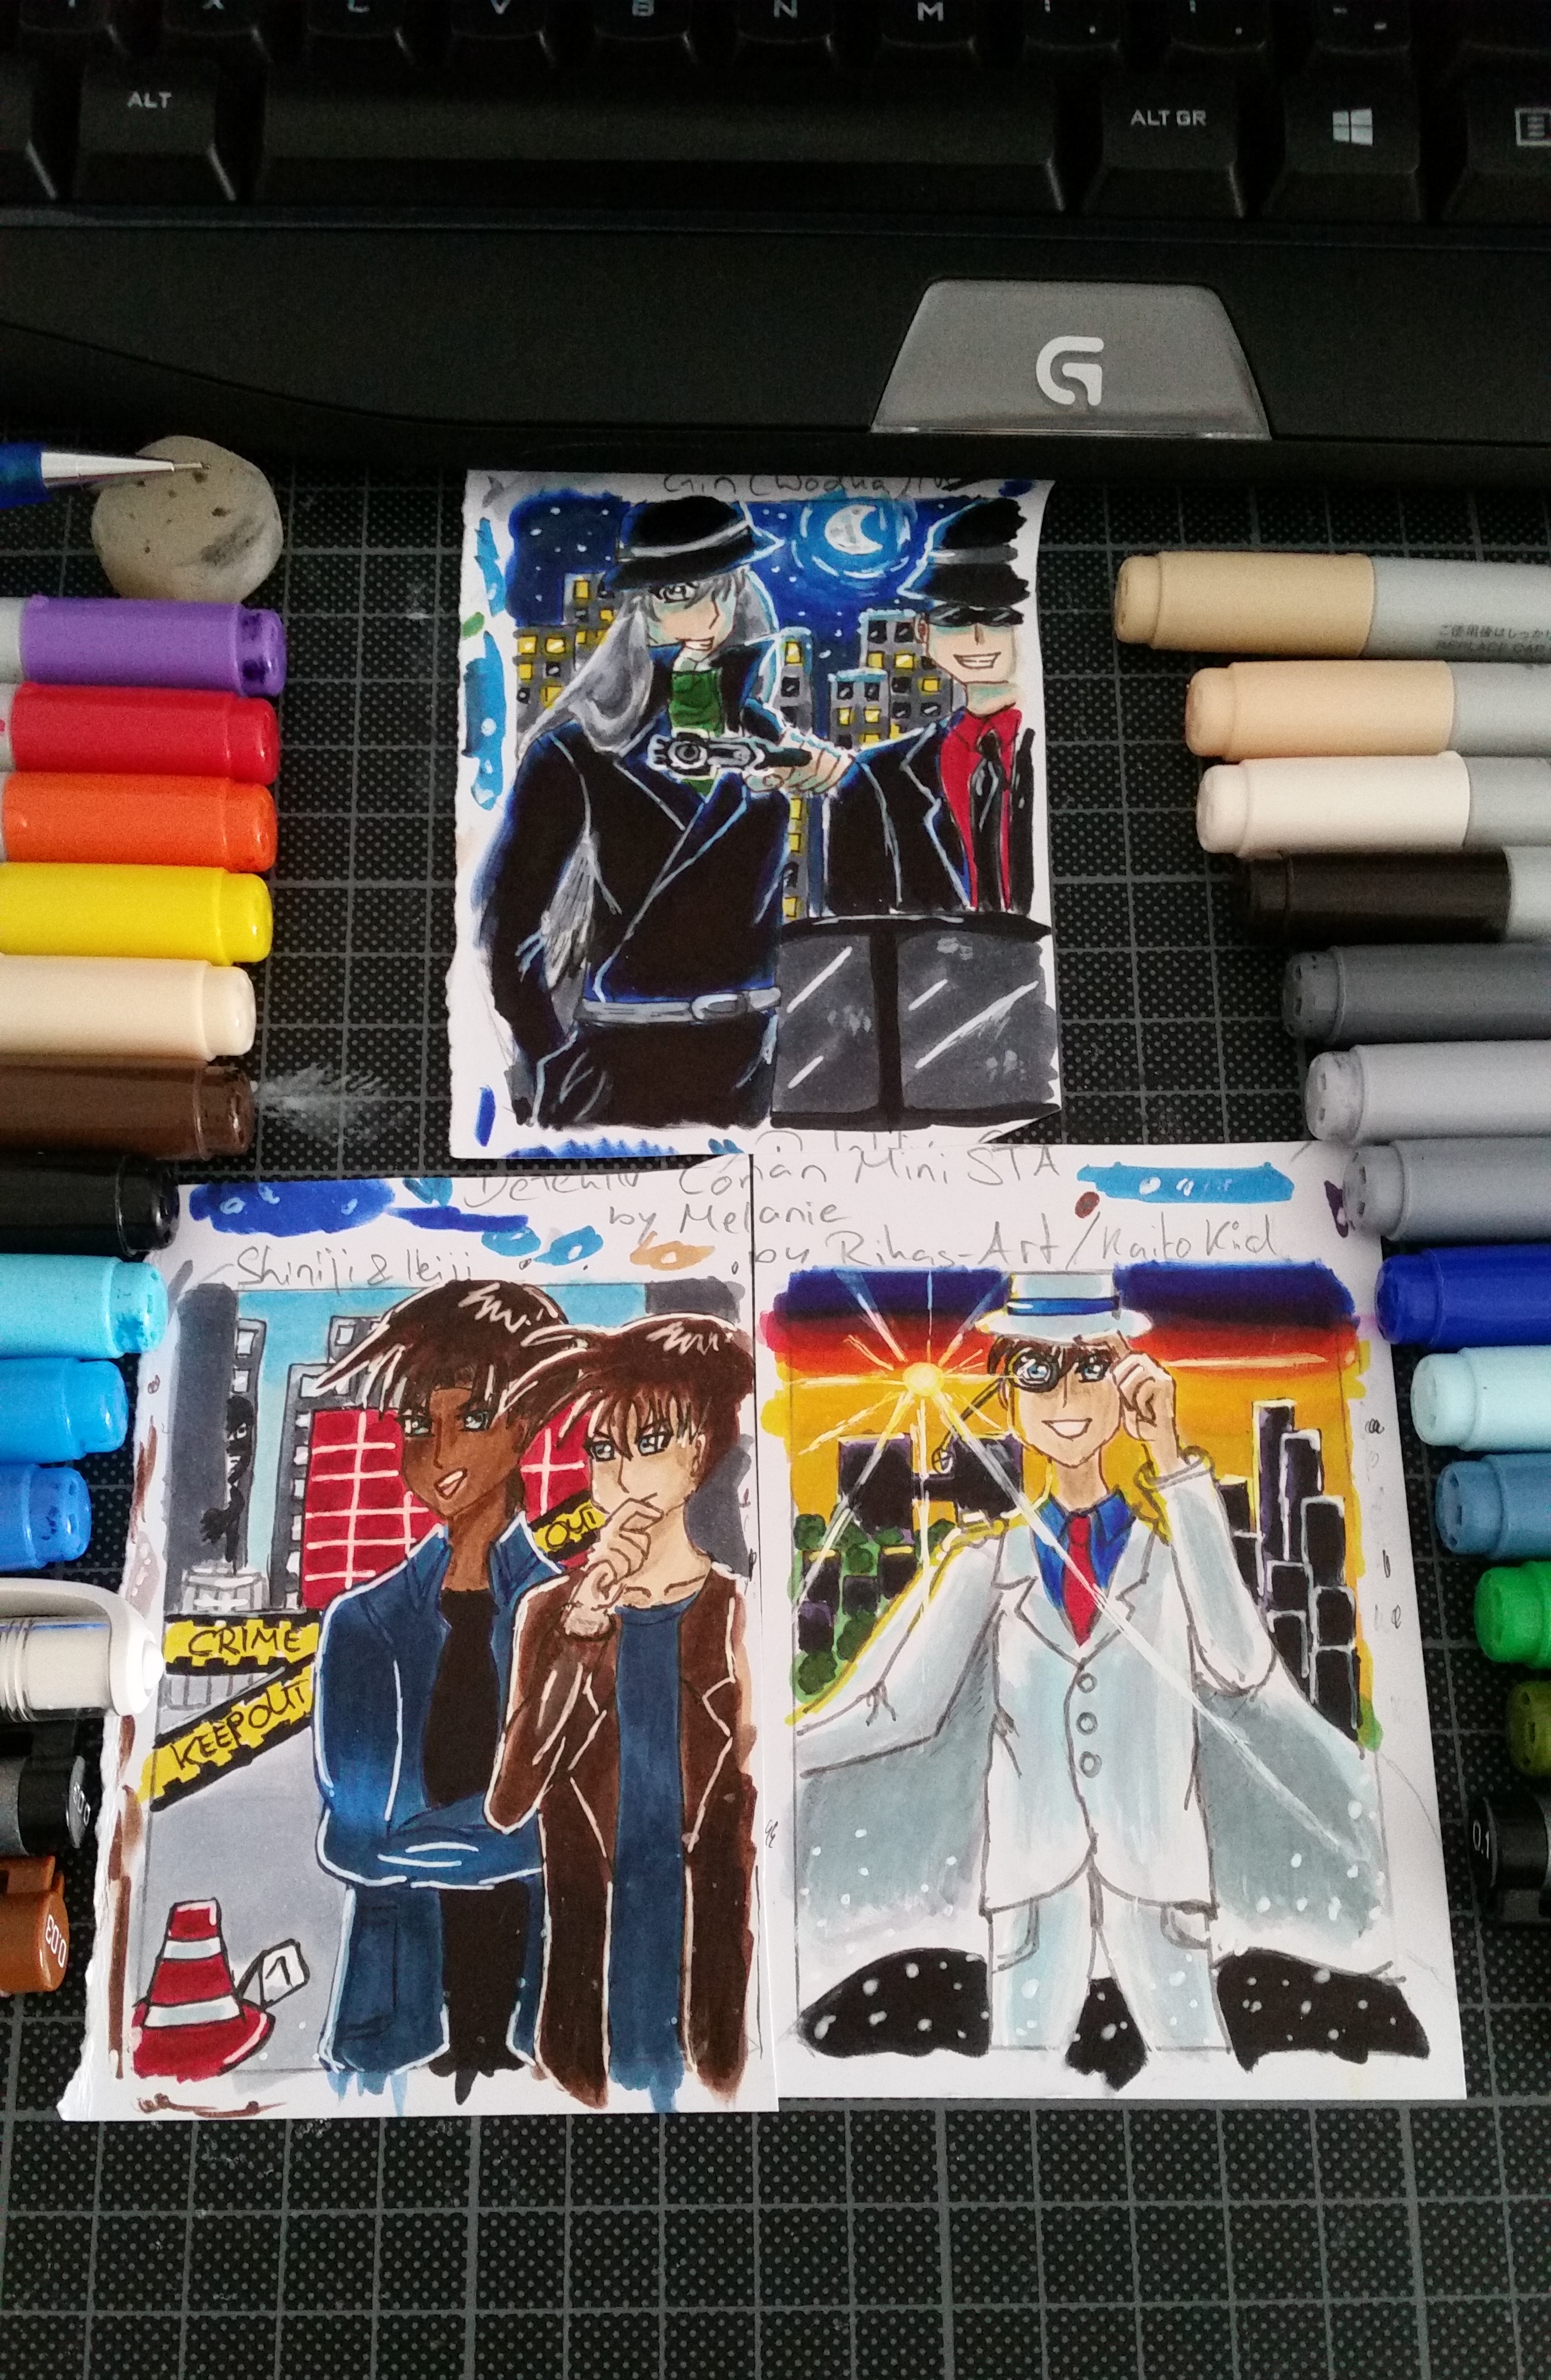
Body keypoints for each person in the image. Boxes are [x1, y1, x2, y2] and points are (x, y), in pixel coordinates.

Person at [796, 1271, 1286, 2063]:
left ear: (1128, 1381)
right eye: (1035, 1370)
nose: (1065, 1395)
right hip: (1033, 1876)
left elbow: (1241, 1667)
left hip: (1157, 1868)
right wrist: (772, 1749)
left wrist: (1169, 1456)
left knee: (1197, 2061)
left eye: (1091, 1366)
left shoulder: (1172, 1557)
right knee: (1020, 2067)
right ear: (1008, 1396)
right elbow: (902, 1709)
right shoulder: (986, 1562)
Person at [479, 494, 847, 1131]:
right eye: (679, 592)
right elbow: (510, 925)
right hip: (621, 1058)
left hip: (753, 1061)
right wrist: (553, 1056)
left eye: (723, 587)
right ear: (640, 607)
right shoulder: (577, 748)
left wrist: (837, 785)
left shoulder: (769, 738)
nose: (708, 613)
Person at [311, 1281, 588, 2098]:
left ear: (525, 1426)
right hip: (398, 1991)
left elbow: (589, 1817)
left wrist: (471, 1845)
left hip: (543, 1984)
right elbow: (352, 1829)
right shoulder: (363, 1622)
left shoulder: (573, 1616)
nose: (439, 1452)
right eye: (416, 1423)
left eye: (472, 1418)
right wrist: (489, 1842)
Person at [487, 1314, 757, 2111]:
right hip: (587, 1992)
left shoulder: (732, 1611)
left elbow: (748, 1789)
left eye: (649, 1444)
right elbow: (510, 1802)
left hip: (706, 1981)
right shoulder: (549, 1613)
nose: (622, 1473)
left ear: (699, 1455)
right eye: (603, 1450)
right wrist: (583, 1629)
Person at [823, 496, 1039, 921]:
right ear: (923, 632)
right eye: (955, 617)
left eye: (999, 617)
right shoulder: (877, 775)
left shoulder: (1044, 750)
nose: (978, 638)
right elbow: (852, 921)